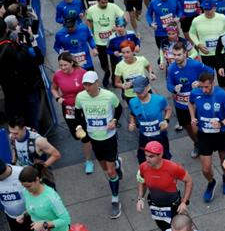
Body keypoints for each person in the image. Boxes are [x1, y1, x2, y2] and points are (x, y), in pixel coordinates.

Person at [74, 70, 124, 218]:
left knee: (110, 172)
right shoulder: (81, 97)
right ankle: (117, 163)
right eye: (85, 85)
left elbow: (119, 108)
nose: (87, 88)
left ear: (97, 83)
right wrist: (79, 127)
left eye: (89, 85)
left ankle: (115, 199)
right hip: (94, 138)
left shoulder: (109, 96)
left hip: (109, 138)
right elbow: (78, 113)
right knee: (104, 167)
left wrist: (114, 121)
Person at [188, 70, 225, 202]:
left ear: (213, 83)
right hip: (204, 135)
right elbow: (190, 103)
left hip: (221, 135)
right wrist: (192, 117)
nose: (203, 90)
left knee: (224, 162)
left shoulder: (222, 95)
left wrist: (221, 123)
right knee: (205, 168)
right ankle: (211, 182)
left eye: (206, 87)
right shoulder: (195, 93)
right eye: (201, 87)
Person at [51, 51, 94, 174]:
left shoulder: (82, 72)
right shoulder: (58, 75)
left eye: (65, 65)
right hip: (68, 109)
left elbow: (93, 87)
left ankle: (88, 160)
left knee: (85, 136)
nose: (63, 68)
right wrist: (58, 98)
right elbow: (53, 88)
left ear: (71, 63)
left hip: (84, 108)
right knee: (77, 135)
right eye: (60, 65)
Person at [136, 140, 193, 231]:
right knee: (163, 228)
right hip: (155, 205)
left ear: (160, 155)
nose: (147, 159)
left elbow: (189, 181)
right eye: (146, 155)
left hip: (173, 205)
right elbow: (142, 181)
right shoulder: (143, 167)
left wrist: (184, 202)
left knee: (178, 228)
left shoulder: (173, 168)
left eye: (151, 156)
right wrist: (140, 198)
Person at [85, 0, 126, 87]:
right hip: (99, 42)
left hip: (112, 40)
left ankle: (114, 79)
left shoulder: (113, 6)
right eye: (103, 2)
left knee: (115, 61)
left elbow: (122, 17)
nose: (105, 4)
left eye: (106, 1)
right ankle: (107, 72)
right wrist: (90, 34)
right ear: (98, 1)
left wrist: (119, 26)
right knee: (103, 63)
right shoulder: (91, 10)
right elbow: (89, 21)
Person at [128, 76, 172, 163]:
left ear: (148, 87)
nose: (139, 94)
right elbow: (132, 114)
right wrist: (132, 123)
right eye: (136, 92)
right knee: (142, 159)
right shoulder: (133, 102)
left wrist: (166, 121)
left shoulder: (159, 100)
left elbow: (168, 109)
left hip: (160, 136)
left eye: (141, 91)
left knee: (164, 159)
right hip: (144, 137)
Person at [188, 0, 225, 83]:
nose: (207, 11)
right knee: (208, 78)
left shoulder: (222, 18)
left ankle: (223, 94)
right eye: (205, 9)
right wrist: (198, 44)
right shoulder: (197, 20)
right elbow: (192, 33)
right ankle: (210, 93)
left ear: (215, 8)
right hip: (206, 53)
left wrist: (224, 44)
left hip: (220, 53)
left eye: (209, 9)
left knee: (222, 78)